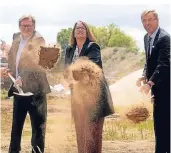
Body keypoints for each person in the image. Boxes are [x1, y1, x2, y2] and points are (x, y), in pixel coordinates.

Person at [65, 21, 114, 153]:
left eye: (82, 28)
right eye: (77, 28)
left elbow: (94, 65)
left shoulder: (93, 47)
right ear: (73, 32)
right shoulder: (69, 49)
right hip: (78, 99)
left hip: (94, 97)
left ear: (87, 32)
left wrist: (76, 71)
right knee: (80, 133)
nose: (80, 30)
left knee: (93, 134)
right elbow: (66, 70)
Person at [7, 15, 51, 153]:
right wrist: (7, 70)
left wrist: (22, 77)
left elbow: (35, 63)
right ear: (19, 26)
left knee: (37, 129)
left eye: (29, 26)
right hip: (19, 90)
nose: (26, 28)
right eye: (23, 26)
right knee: (16, 128)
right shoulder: (16, 37)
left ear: (34, 26)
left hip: (36, 92)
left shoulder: (38, 39)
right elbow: (13, 59)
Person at [136, 10, 170, 153]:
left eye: (150, 19)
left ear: (157, 20)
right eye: (144, 20)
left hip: (167, 88)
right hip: (157, 88)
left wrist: (150, 83)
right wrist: (144, 75)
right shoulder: (146, 38)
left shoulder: (164, 38)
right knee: (159, 126)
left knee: (164, 126)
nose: (147, 23)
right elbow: (149, 61)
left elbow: (164, 64)